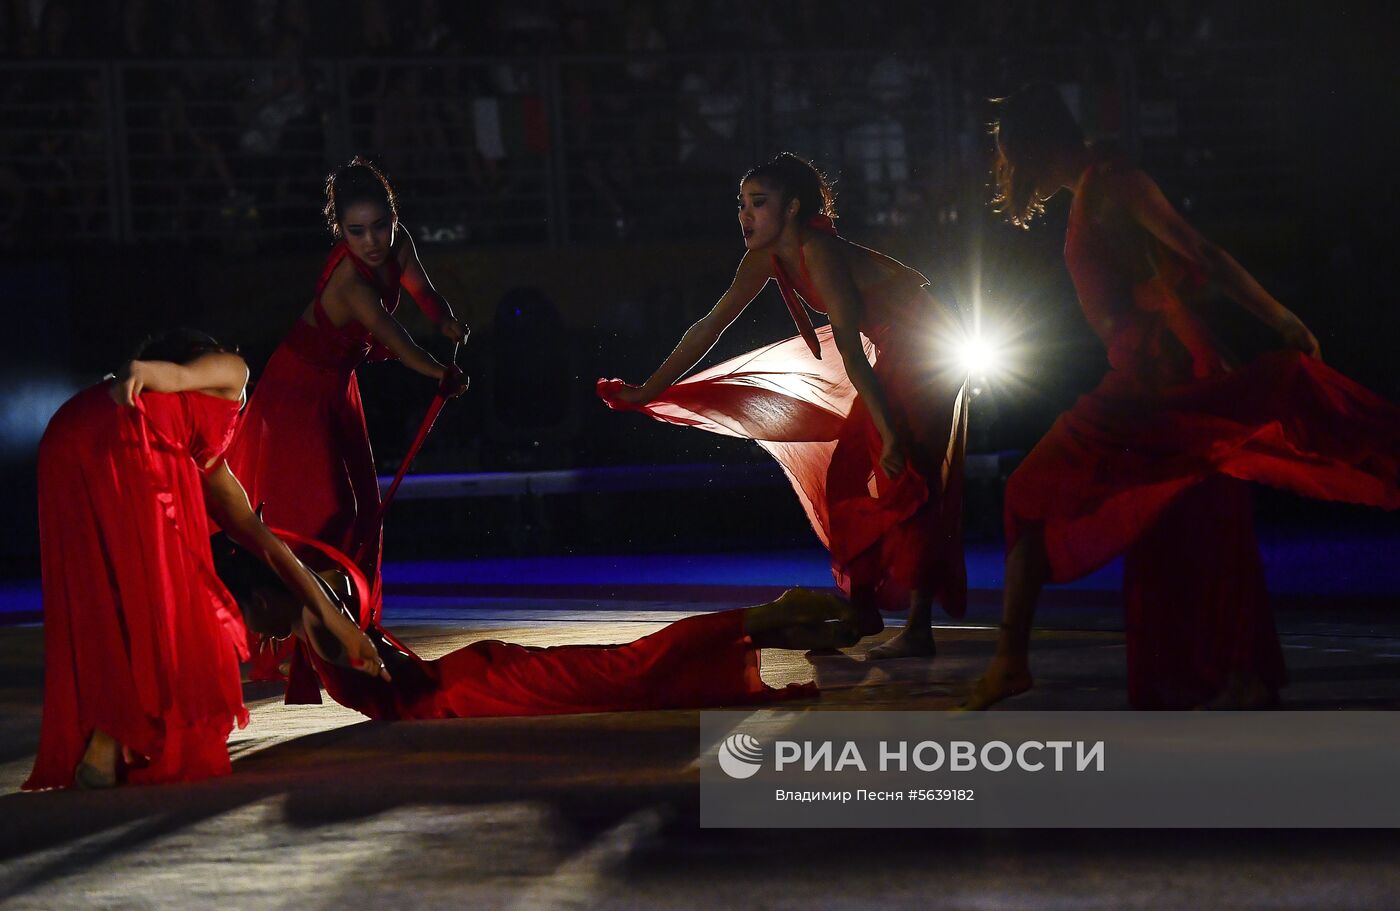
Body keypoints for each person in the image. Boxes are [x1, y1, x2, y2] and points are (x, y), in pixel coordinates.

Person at [962, 83, 1400, 710]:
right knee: (1197, 523)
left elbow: (1201, 252)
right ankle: (1243, 677)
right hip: (1151, 372)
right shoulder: (1091, 191)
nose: (1006, 167)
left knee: (1032, 493)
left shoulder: (1113, 182)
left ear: (1035, 143)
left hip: (1158, 383)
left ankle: (1011, 661)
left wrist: (1284, 322)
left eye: (1008, 150)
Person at [599, 153, 969, 659]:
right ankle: (863, 607)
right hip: (897, 353)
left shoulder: (819, 250)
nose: (745, 215)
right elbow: (709, 327)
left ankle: (919, 627)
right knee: (846, 476)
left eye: (759, 203)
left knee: (907, 476)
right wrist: (647, 390)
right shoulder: (764, 257)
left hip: (928, 350)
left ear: (792, 208)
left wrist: (891, 433)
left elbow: (852, 349)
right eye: (741, 204)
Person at [24, 330, 387, 791]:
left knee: (103, 596)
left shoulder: (208, 466)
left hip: (67, 435)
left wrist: (345, 632)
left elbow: (274, 550)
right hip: (122, 437)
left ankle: (112, 736)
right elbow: (204, 371)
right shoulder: (232, 379)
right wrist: (153, 374)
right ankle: (108, 738)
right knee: (173, 603)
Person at [225, 156, 467, 680]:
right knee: (324, 512)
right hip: (296, 393)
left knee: (357, 512)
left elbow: (424, 293)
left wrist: (445, 319)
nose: (372, 241)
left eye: (381, 226)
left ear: (394, 218)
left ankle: (333, 627)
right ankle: (311, 630)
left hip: (336, 388)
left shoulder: (399, 247)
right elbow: (396, 342)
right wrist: (437, 372)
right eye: (357, 232)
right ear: (340, 230)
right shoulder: (349, 284)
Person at [218, 533, 856, 720]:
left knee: (630, 671)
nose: (249, 632)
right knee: (633, 676)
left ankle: (766, 615)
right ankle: (781, 629)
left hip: (472, 692)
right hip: (469, 680)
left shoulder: (319, 617)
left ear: (262, 592)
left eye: (244, 611)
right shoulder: (314, 614)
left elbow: (344, 619)